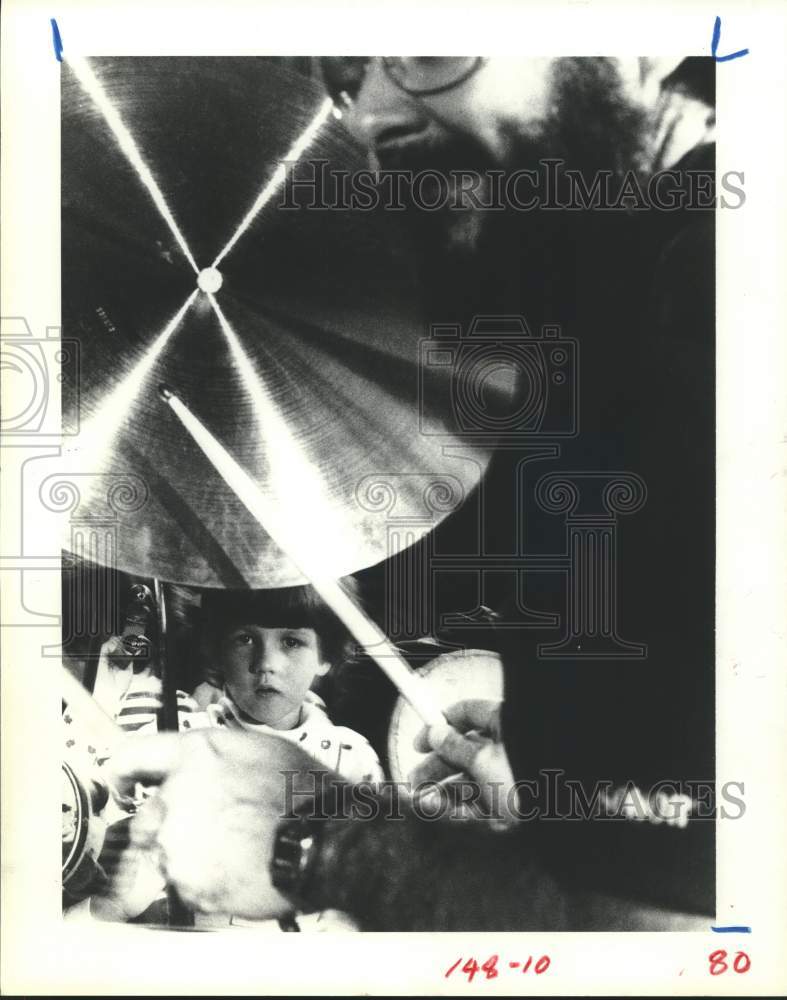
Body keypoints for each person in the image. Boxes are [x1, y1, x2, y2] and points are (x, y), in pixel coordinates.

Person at [109, 55, 716, 930]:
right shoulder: (613, 309)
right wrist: (563, 771)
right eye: (348, 74)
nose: (366, 119)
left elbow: (701, 950)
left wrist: (317, 838)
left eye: (426, 45)